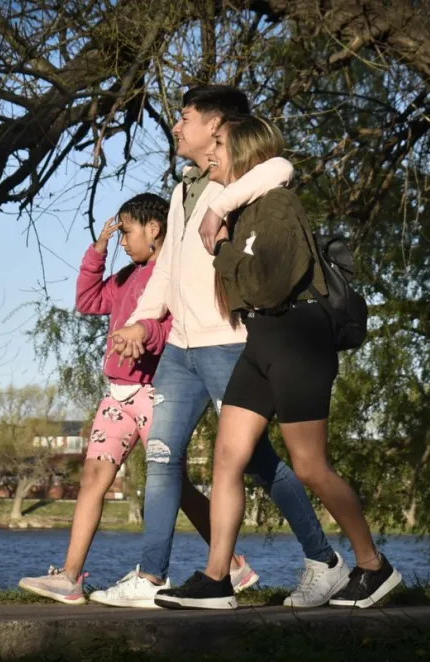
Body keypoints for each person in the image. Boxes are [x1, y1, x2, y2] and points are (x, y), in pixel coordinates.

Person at [93, 86, 349, 610]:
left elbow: (281, 167)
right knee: (162, 456)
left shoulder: (243, 177)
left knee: (257, 463)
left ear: (215, 126)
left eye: (185, 117)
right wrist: (143, 321)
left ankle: (323, 559)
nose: (176, 126)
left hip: (229, 345)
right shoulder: (183, 190)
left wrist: (221, 205)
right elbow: (166, 269)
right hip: (179, 351)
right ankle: (151, 576)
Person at [154, 116, 402, 610]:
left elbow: (265, 284)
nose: (211, 154)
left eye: (219, 145)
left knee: (310, 466)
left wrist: (220, 248)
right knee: (228, 458)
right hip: (262, 339)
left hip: (298, 338)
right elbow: (245, 291)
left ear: (243, 152)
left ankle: (374, 566)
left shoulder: (278, 206)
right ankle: (217, 580)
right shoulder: (242, 208)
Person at [17, 193, 257, 606]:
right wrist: (97, 252)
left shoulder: (174, 276)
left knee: (174, 484)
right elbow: (88, 301)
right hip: (117, 394)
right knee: (93, 478)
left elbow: (174, 328)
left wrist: (145, 334)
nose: (123, 241)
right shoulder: (126, 277)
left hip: (153, 391)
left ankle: (233, 564)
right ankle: (70, 578)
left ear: (154, 229)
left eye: (126, 232)